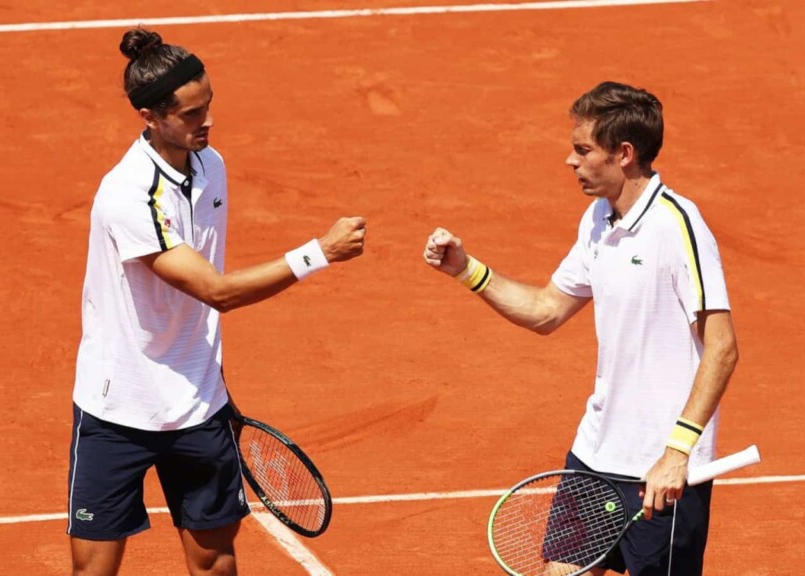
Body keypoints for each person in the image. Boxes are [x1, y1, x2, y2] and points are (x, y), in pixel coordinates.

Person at [67, 27, 366, 576]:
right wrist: (319, 252)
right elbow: (215, 291)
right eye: (189, 114)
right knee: (94, 572)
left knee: (213, 562)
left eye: (208, 106)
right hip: (117, 410)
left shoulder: (212, 168)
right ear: (151, 118)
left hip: (198, 405)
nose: (206, 122)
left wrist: (210, 382)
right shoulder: (127, 196)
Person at [422, 81, 738, 576]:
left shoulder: (679, 227)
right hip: (595, 453)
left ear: (624, 154)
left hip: (661, 468)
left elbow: (721, 348)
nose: (571, 161)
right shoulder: (598, 219)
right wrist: (467, 270)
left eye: (583, 149)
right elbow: (547, 309)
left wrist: (677, 452)